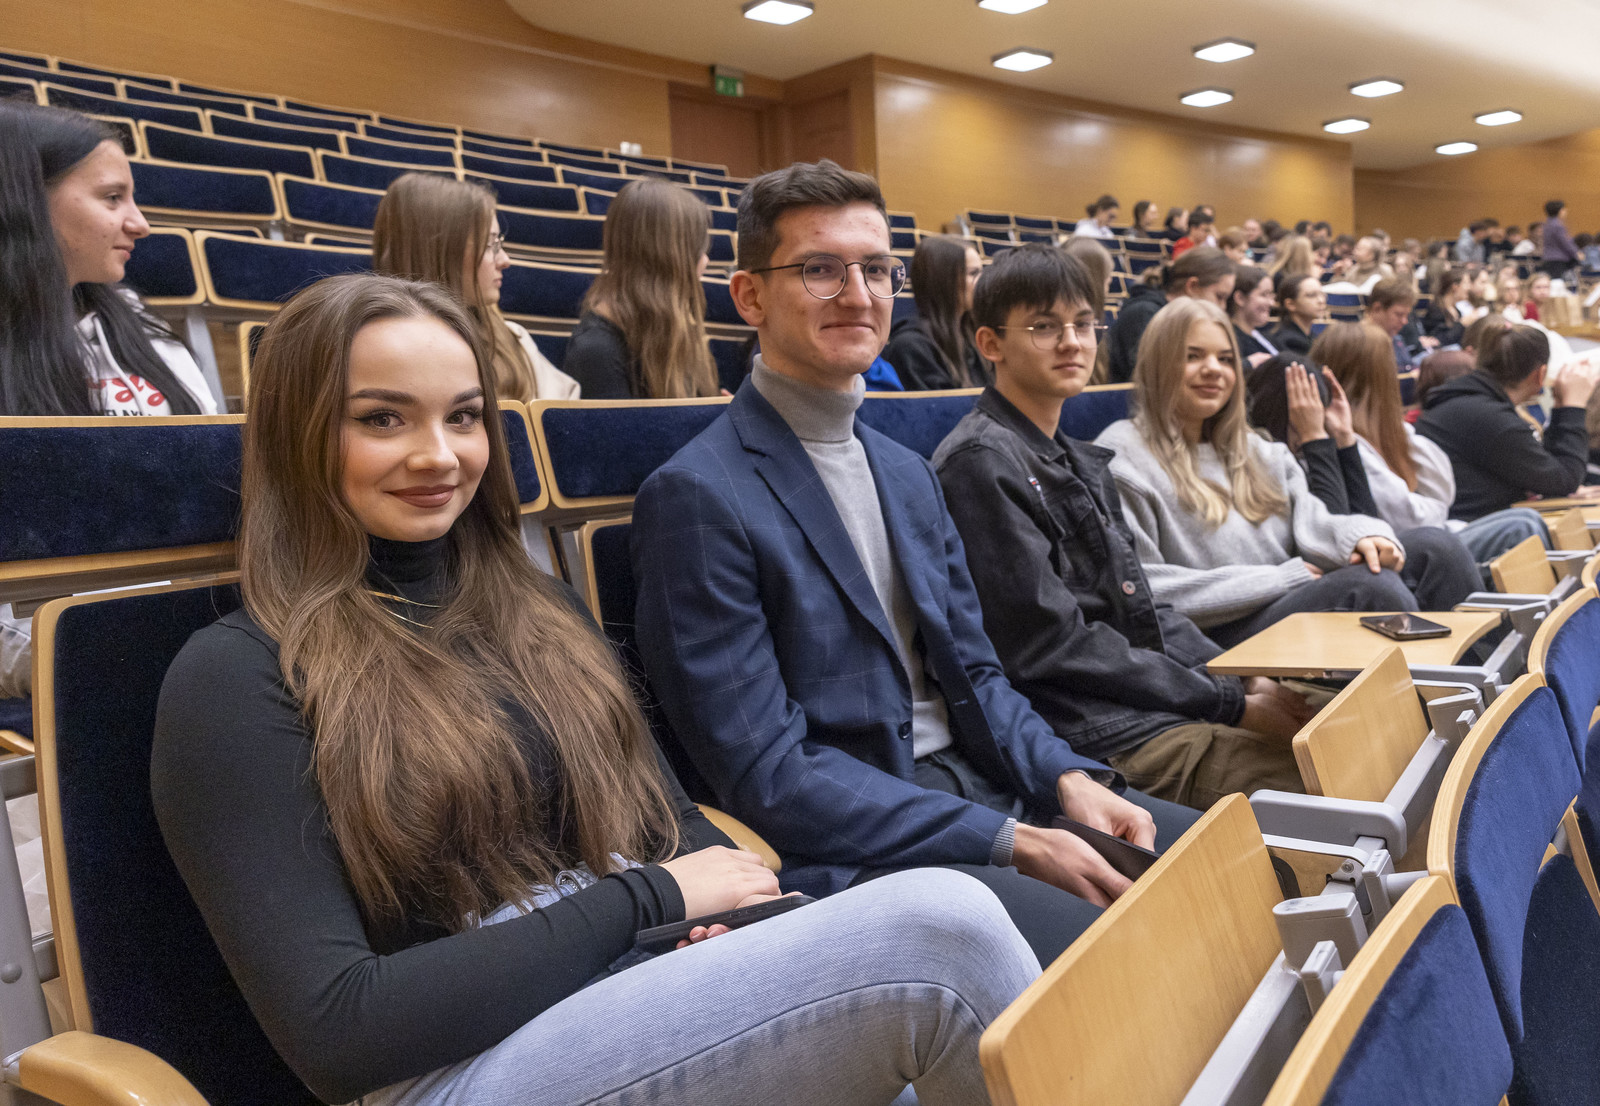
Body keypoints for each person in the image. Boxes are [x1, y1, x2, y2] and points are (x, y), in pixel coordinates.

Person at [151, 271, 1037, 1106]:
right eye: (382, 419)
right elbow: (339, 1031)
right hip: (447, 1071)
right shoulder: (236, 676)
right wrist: (653, 902)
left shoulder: (538, 609)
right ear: (300, 434)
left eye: (464, 417)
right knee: (943, 932)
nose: (439, 455)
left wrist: (728, 921)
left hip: (623, 987)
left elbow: (673, 828)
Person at [631, 160, 1201, 967]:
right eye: (820, 270)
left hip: (990, 789)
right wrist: (1007, 839)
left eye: (875, 270)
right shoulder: (696, 494)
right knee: (1137, 951)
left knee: (1222, 869)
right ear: (750, 297)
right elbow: (769, 773)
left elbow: (979, 673)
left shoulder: (906, 471)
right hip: (866, 841)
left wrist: (1064, 778)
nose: (857, 295)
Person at [932, 244, 1313, 813]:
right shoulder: (981, 463)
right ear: (990, 344)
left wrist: (1243, 678)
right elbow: (1052, 648)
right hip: (1091, 734)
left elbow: (1144, 607)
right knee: (1321, 779)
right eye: (1044, 327)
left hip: (1143, 705)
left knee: (1335, 732)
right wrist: (1229, 702)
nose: (1072, 342)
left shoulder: (1074, 457)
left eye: (1084, 324)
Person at [0, 99, 218, 701]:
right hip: (54, 663)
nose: (140, 224)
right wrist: (84, 654)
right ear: (24, 201)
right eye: (112, 198)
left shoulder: (136, 323)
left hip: (175, 634)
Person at [1095, 298, 1418, 648]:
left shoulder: (1258, 448)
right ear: (1158, 365)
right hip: (1209, 634)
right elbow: (1140, 588)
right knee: (1372, 588)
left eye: (1225, 359)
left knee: (1434, 548)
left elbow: (1312, 523)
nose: (1213, 369)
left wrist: (1360, 537)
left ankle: (1449, 679)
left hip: (1283, 602)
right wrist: (1277, 580)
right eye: (1192, 356)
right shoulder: (1122, 455)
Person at [1243, 349, 1480, 608]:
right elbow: (1331, 544)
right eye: (1304, 417)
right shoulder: (1265, 456)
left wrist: (1345, 440)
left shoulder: (1315, 449)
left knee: (1438, 545)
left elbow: (1362, 521)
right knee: (1379, 584)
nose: (1314, 425)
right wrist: (1315, 440)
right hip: (1287, 589)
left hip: (1330, 575)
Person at [1311, 322, 1546, 568]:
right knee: (1521, 527)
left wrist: (1396, 428)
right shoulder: (1346, 441)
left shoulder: (1389, 431)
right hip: (1406, 550)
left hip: (1431, 536)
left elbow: (1441, 495)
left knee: (1526, 518)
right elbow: (1414, 518)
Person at [371, 172, 578, 401]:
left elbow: (563, 410)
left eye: (499, 243)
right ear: (443, 252)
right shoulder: (380, 353)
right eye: (490, 245)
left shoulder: (512, 339)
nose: (505, 260)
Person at [1417, 324, 1600, 519]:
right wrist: (1573, 406)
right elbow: (1564, 480)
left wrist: (1561, 407)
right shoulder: (1489, 417)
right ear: (1540, 374)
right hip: (1467, 526)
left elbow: (1551, 474)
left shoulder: (1469, 403)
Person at [564, 178, 719, 399]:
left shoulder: (674, 330)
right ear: (668, 261)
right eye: (696, 250)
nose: (705, 261)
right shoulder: (597, 352)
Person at [1104, 247, 1235, 383]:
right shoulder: (1143, 314)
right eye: (1220, 296)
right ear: (1193, 286)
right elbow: (1154, 379)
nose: (1223, 307)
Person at [879, 235, 988, 390]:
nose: (982, 281)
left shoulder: (970, 332)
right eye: (973, 273)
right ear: (944, 280)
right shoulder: (911, 346)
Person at [1362, 277, 1422, 369]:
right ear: (1377, 309)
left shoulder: (1396, 339)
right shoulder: (1359, 344)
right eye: (1399, 314)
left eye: (1407, 315)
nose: (1405, 321)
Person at [1228, 264, 1279, 365]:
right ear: (1240, 298)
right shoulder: (1232, 341)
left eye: (1271, 295)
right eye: (1264, 295)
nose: (1271, 303)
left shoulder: (1264, 336)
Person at [1267, 272, 1325, 357]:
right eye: (1311, 295)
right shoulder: (1289, 342)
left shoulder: (1310, 335)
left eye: (1322, 294)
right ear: (1291, 304)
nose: (1321, 300)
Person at [1421, 269, 1469, 347]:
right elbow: (1438, 341)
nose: (1469, 287)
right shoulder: (1436, 310)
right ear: (1455, 287)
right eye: (1466, 283)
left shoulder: (1457, 311)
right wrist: (1462, 324)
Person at [1541, 200, 1582, 278]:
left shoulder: (1547, 224)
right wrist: (1576, 253)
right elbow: (1565, 242)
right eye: (1564, 209)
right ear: (1560, 211)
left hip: (1548, 257)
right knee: (1557, 281)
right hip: (1558, 259)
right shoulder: (1557, 226)